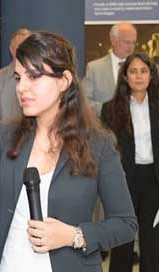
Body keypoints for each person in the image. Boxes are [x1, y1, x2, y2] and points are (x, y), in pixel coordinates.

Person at [0, 31, 138, 271]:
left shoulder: (99, 145)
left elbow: (125, 224)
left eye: (34, 76)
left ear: (64, 80)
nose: (21, 87)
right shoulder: (7, 135)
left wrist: (73, 235)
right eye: (18, 77)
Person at [102, 52, 159, 272]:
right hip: (124, 180)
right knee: (123, 241)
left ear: (151, 75)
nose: (138, 76)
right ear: (125, 76)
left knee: (152, 241)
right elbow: (106, 150)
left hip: (154, 180)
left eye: (144, 71)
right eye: (133, 71)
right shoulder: (111, 109)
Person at [83, 22, 137, 116]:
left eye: (133, 42)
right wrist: (107, 110)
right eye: (127, 42)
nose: (131, 47)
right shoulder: (94, 68)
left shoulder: (142, 68)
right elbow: (84, 101)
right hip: (105, 127)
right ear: (113, 41)